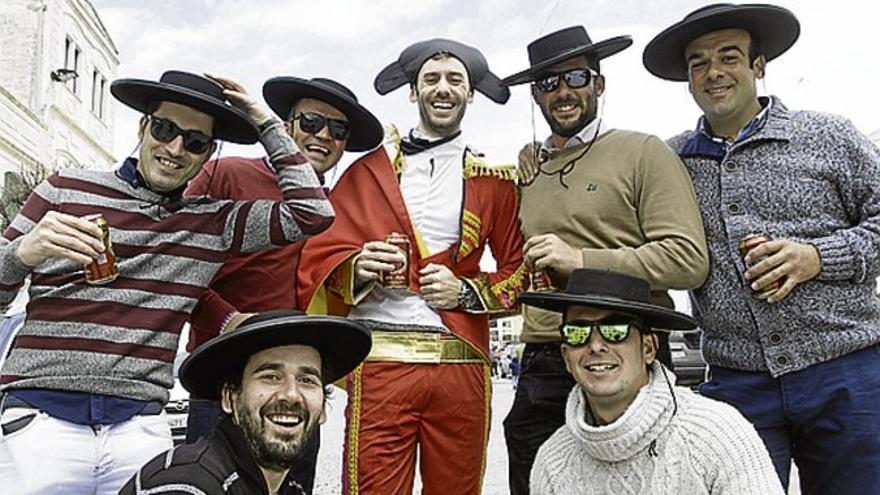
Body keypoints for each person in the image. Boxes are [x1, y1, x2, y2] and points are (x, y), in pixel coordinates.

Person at [0, 70, 333, 494]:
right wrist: (23, 252)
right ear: (143, 126)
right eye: (164, 129)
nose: (175, 148)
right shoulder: (64, 189)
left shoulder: (211, 221)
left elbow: (313, 213)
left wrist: (266, 125)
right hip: (43, 419)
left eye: (195, 142)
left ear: (208, 153)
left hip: (138, 427)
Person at [643, 3, 880, 493]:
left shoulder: (828, 136)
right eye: (699, 63)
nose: (714, 73)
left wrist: (818, 257)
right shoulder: (669, 161)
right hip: (736, 381)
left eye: (729, 57)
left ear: (758, 65)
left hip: (845, 373)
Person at [297, 39, 528, 494]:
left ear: (470, 94)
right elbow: (317, 258)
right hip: (380, 358)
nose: (443, 89)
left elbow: (521, 274)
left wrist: (466, 292)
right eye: (432, 79)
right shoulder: (365, 172)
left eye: (455, 80)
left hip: (461, 360)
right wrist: (358, 266)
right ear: (413, 91)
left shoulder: (496, 181)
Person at [500, 25, 709, 494]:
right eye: (548, 84)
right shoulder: (529, 170)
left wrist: (582, 259)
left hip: (624, 346)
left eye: (575, 77)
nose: (563, 92)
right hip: (544, 359)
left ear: (599, 82)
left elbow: (688, 260)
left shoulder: (643, 152)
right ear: (536, 95)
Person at [182, 76, 382, 493]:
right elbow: (178, 266)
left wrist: (357, 273)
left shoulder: (341, 208)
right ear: (286, 125)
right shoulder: (227, 175)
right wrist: (229, 321)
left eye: (338, 130)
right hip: (225, 376)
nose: (323, 136)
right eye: (310, 122)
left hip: (298, 392)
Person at [520, 269, 783, 495]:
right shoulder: (552, 461)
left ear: (648, 348)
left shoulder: (717, 433)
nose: (596, 345)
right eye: (578, 333)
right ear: (566, 356)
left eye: (616, 330)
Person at [121, 310, 372, 495]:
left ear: (323, 411)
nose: (292, 395)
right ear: (230, 398)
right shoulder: (186, 487)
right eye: (271, 377)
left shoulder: (289, 489)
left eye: (307, 380)